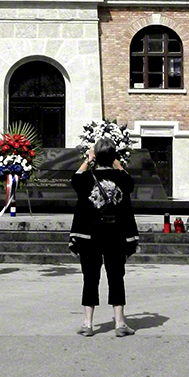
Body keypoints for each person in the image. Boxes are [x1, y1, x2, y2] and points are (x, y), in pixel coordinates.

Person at [69, 138, 139, 337]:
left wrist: (88, 159)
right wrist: (117, 163)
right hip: (115, 234)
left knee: (90, 277)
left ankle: (88, 323)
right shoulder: (121, 179)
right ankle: (119, 324)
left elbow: (75, 179)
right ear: (114, 156)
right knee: (116, 276)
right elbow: (130, 182)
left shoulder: (86, 178)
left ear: (96, 157)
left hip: (90, 234)